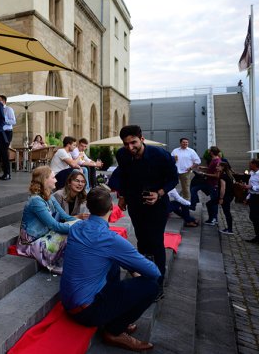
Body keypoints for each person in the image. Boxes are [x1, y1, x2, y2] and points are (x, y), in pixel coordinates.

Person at [61, 186, 161, 352]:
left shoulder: (76, 228)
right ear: (110, 209)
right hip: (86, 312)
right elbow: (154, 272)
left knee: (113, 261)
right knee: (152, 286)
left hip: (69, 302)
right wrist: (134, 269)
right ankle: (114, 331)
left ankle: (115, 314)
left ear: (89, 207)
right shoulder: (109, 239)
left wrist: (130, 266)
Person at [110, 125, 177, 295]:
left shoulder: (161, 155)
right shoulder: (122, 154)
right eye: (126, 144)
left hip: (158, 204)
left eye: (133, 143)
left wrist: (159, 193)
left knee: (155, 242)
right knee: (141, 240)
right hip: (135, 203)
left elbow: (173, 179)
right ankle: (144, 276)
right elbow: (124, 176)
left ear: (142, 139)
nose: (130, 148)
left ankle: (157, 284)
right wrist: (122, 196)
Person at [17, 166, 77, 274]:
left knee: (72, 231)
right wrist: (79, 227)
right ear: (45, 180)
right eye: (53, 177)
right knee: (70, 235)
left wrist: (84, 223)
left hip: (45, 234)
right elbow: (55, 226)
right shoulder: (36, 201)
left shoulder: (49, 196)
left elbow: (66, 217)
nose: (56, 180)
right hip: (32, 242)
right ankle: (65, 266)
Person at [190, 146, 222, 226]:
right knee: (194, 189)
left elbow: (217, 175)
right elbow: (211, 169)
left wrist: (203, 173)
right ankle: (193, 204)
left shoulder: (217, 161)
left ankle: (214, 219)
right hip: (208, 183)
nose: (208, 152)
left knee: (213, 202)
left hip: (213, 184)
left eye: (209, 151)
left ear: (211, 152)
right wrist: (204, 168)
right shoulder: (213, 160)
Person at [0, 95, 16, 181]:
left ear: (3, 101)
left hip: (7, 133)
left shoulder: (9, 109)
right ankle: (5, 173)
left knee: (4, 152)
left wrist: (4, 120)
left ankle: (7, 174)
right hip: (0, 133)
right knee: (0, 151)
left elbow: (13, 121)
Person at [217, 162, 236, 235]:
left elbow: (223, 188)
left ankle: (230, 229)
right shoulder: (229, 175)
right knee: (227, 212)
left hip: (226, 196)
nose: (217, 167)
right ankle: (229, 228)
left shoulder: (223, 176)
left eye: (218, 166)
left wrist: (221, 198)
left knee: (227, 212)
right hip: (230, 195)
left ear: (223, 167)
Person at [243, 159, 258, 243]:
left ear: (255, 165)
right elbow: (250, 186)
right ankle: (257, 236)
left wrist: (251, 187)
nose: (249, 165)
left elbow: (253, 187)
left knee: (256, 217)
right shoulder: (252, 174)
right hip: (253, 196)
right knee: (253, 216)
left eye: (250, 164)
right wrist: (247, 197)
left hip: (258, 197)